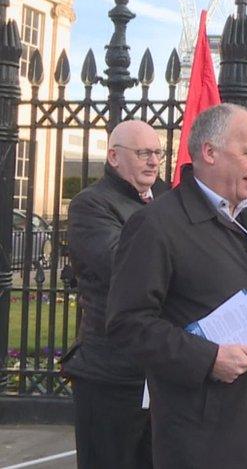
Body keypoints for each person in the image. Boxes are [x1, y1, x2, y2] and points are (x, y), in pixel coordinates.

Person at [106, 104, 247, 469]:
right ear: (209, 152)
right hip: (204, 438)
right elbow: (127, 324)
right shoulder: (156, 226)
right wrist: (207, 359)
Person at [61, 120, 167, 469]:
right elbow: (123, 265)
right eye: (143, 153)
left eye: (157, 153)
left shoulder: (168, 199)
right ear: (113, 156)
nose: (153, 161)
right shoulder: (90, 205)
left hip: (159, 371)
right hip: (110, 372)